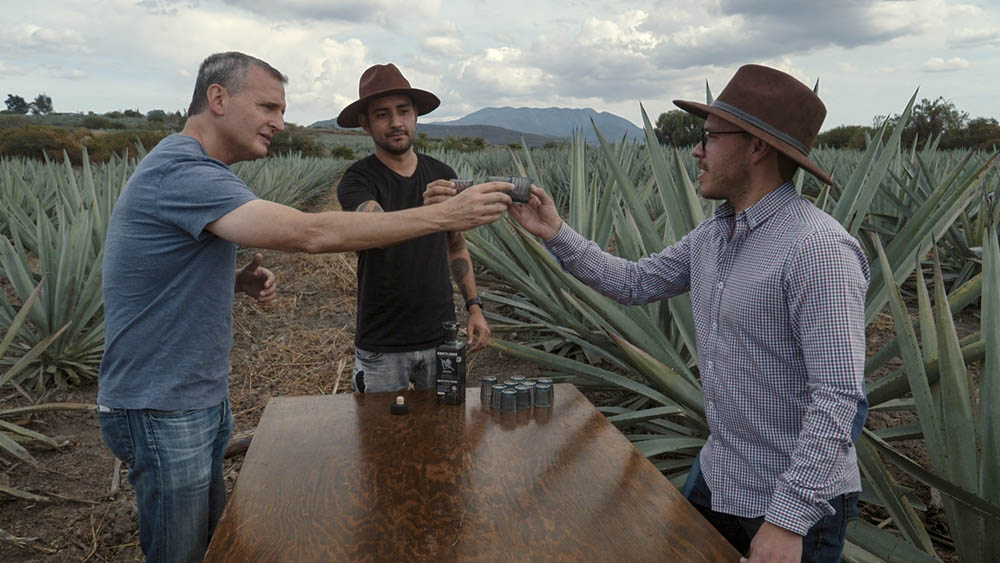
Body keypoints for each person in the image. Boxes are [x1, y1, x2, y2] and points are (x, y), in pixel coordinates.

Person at [97, 51, 512, 563]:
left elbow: (159, 269)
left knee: (208, 546)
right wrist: (445, 214)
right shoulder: (183, 172)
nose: (280, 122)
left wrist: (232, 281)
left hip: (193, 397)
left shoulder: (196, 171)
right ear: (218, 98)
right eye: (268, 107)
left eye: (282, 110)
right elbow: (309, 233)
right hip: (161, 405)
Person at [509, 64, 869, 563]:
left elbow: (839, 396)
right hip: (720, 471)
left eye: (710, 137)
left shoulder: (819, 250)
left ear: (757, 148)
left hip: (791, 503)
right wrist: (553, 231)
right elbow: (634, 282)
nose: (697, 151)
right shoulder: (714, 235)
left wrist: (787, 520)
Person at [336, 63, 491, 394]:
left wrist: (474, 307)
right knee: (377, 427)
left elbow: (456, 246)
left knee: (446, 424)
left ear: (416, 115)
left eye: (403, 111)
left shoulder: (442, 174)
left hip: (441, 337)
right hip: (382, 342)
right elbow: (375, 231)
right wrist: (435, 212)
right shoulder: (358, 180)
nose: (396, 122)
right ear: (365, 123)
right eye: (382, 114)